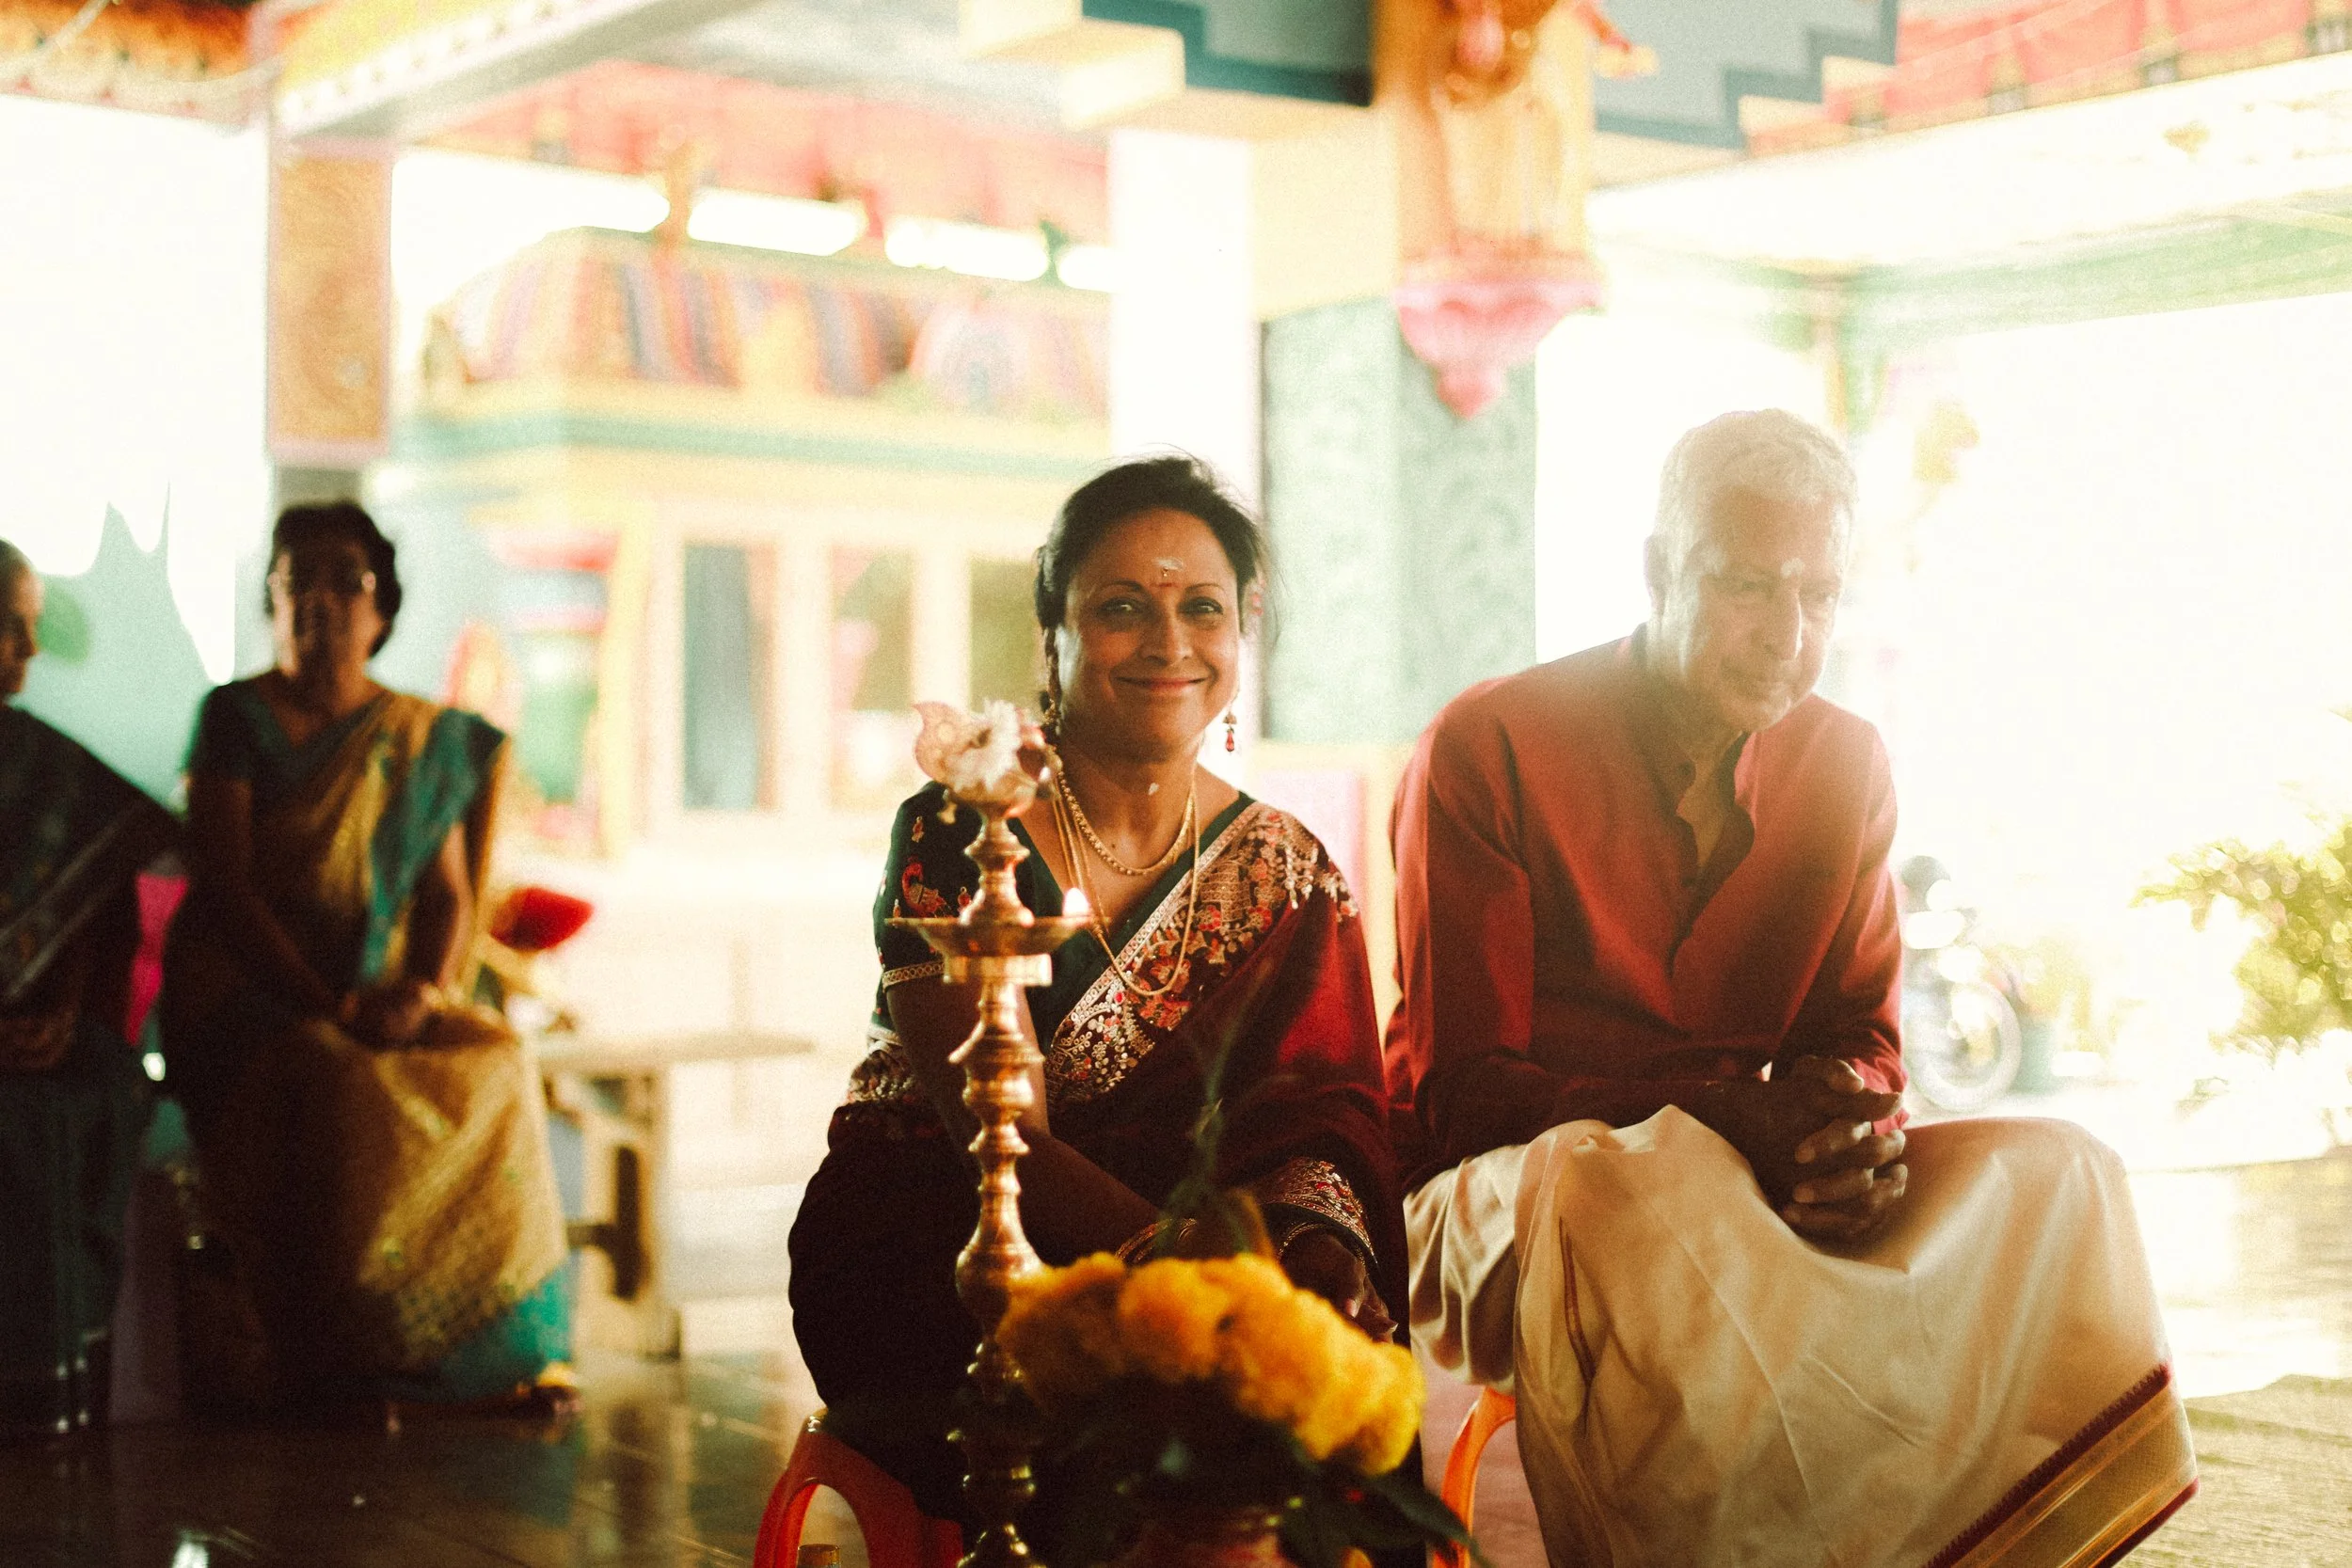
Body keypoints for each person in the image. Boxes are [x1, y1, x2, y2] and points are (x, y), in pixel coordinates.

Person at [1390, 413, 2192, 1567]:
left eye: (1819, 595)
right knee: (1642, 1188)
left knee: (2064, 1171)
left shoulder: (1846, 762)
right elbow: (1461, 1095)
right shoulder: (1491, 742)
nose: (1788, 634)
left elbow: (1859, 1036)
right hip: (1502, 1191)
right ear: (1659, 571)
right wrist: (1725, 1121)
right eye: (1746, 586)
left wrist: (1836, 1133)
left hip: (1741, 1173)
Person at [789, 456, 1404, 1528]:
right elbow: (1002, 1138)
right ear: (1054, 637)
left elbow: (1322, 1116)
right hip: (943, 1241)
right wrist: (1199, 1277)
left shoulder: (1285, 869)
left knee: (1330, 1404)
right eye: (1122, 608)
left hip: (1205, 1259)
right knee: (1152, 1432)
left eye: (1202, 608)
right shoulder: (961, 829)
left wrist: (1311, 1259)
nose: (1169, 643)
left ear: (1243, 630)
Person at [162, 502, 573, 1418]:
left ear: (381, 607)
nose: (320, 600)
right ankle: (342, 1362)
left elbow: (447, 895)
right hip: (245, 994)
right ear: (271, 602)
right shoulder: (234, 718)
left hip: (374, 989)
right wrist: (331, 1004)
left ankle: (488, 1353)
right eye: (296, 580)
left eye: (343, 580)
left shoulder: (415, 736)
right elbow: (228, 888)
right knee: (338, 1077)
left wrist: (420, 992)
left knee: (496, 1061)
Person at [0, 540, 176, 1442]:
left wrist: (63, 1014)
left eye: (31, 627)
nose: (29, 649)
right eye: (9, 626)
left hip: (38, 1037)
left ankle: (53, 1394)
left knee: (95, 1090)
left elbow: (98, 909)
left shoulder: (52, 769)